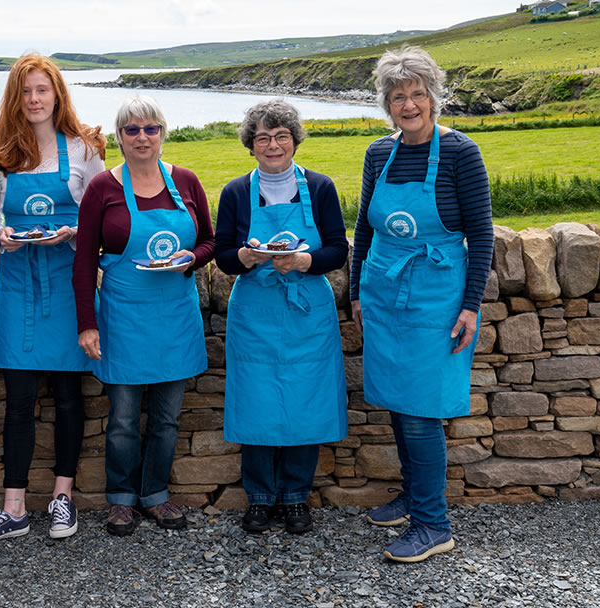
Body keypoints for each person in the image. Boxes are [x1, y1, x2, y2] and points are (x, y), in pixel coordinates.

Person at [350, 46, 494, 563]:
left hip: (437, 295)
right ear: (386, 105)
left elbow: (481, 234)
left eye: (417, 94)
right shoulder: (376, 153)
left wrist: (470, 304)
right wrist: (356, 291)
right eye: (397, 97)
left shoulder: (460, 152)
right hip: (384, 292)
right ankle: (413, 497)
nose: (408, 105)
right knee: (397, 400)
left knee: (421, 409)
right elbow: (364, 226)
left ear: (433, 97)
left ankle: (435, 524)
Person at [0, 56, 106, 549]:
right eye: (26, 92)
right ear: (14, 98)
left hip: (68, 285)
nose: (35, 100)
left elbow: (101, 219)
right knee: (19, 402)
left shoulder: (85, 149)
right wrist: (7, 238)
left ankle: (62, 497)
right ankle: (13, 508)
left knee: (69, 397)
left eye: (43, 90)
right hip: (20, 285)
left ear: (57, 94)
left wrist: (74, 232)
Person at [73, 95, 215, 536]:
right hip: (124, 316)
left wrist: (190, 257)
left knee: (168, 417)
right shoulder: (104, 189)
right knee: (122, 421)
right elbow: (83, 262)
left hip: (175, 315)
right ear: (119, 137)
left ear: (162, 133)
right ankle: (120, 500)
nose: (142, 137)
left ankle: (155, 495)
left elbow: (210, 241)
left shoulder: (186, 181)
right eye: (132, 130)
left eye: (150, 128)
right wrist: (87, 323)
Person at [213, 100, 348, 535]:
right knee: (256, 401)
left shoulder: (321, 187)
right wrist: (246, 256)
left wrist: (305, 261)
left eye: (282, 136)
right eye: (263, 137)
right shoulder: (235, 192)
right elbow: (223, 257)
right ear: (251, 145)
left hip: (307, 309)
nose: (273, 144)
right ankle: (258, 497)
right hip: (255, 311)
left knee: (305, 401)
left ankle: (294, 496)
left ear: (295, 140)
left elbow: (337, 250)